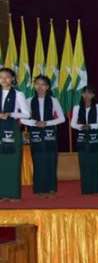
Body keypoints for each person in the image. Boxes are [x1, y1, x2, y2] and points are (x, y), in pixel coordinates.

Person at [22, 75, 64, 197]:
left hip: (50, 133)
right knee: (38, 161)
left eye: (43, 84)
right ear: (34, 86)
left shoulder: (53, 100)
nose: (40, 87)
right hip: (35, 134)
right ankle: (39, 189)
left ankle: (51, 188)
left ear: (47, 87)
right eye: (37, 84)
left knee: (51, 160)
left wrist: (47, 123)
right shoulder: (29, 100)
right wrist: (35, 123)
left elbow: (61, 118)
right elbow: (22, 119)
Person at [70, 86, 98, 195]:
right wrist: (81, 126)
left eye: (89, 93)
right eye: (85, 93)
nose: (87, 96)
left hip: (95, 137)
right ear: (82, 95)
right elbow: (72, 124)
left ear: (93, 95)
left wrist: (92, 125)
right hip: (82, 137)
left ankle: (96, 189)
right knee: (84, 164)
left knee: (95, 163)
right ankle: (86, 189)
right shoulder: (77, 107)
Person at [0, 68, 31, 201]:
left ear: (12, 79)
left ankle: (13, 194)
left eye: (7, 77)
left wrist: (11, 114)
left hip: (12, 129)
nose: (3, 79)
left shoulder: (18, 94)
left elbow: (27, 114)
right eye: (1, 77)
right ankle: (2, 193)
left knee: (13, 163)